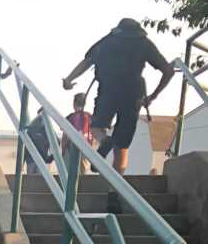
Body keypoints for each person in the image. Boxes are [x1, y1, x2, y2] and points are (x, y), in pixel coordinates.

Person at [62, 17, 176, 177]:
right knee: (122, 146)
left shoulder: (107, 42)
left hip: (108, 90)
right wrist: (153, 96)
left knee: (96, 127)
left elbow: (87, 62)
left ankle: (104, 140)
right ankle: (114, 191)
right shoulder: (144, 43)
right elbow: (169, 71)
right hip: (133, 95)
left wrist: (69, 79)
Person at [61, 92, 93, 172]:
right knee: (84, 173)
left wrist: (63, 151)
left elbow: (65, 136)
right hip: (87, 148)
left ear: (74, 103)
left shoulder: (70, 117)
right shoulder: (90, 117)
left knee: (69, 172)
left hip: (72, 148)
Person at [24, 107, 52, 174]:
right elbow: (26, 146)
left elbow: (56, 143)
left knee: (34, 180)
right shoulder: (47, 129)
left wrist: (50, 158)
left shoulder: (46, 129)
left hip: (36, 160)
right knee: (36, 180)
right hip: (35, 160)